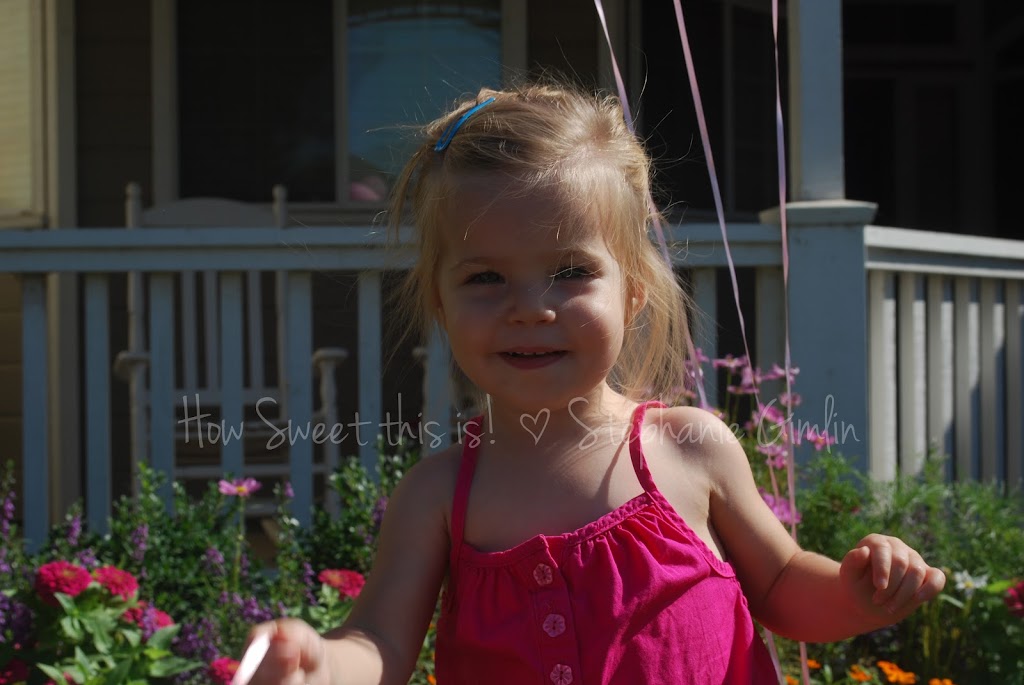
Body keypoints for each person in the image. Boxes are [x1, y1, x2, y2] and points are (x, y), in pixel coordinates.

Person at [246, 83, 945, 684]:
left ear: (633, 292)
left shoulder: (690, 448)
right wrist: (322, 664)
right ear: (440, 303)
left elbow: (784, 584)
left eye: (570, 272)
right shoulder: (437, 495)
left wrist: (855, 593)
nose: (530, 308)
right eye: (485, 277)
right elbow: (380, 642)